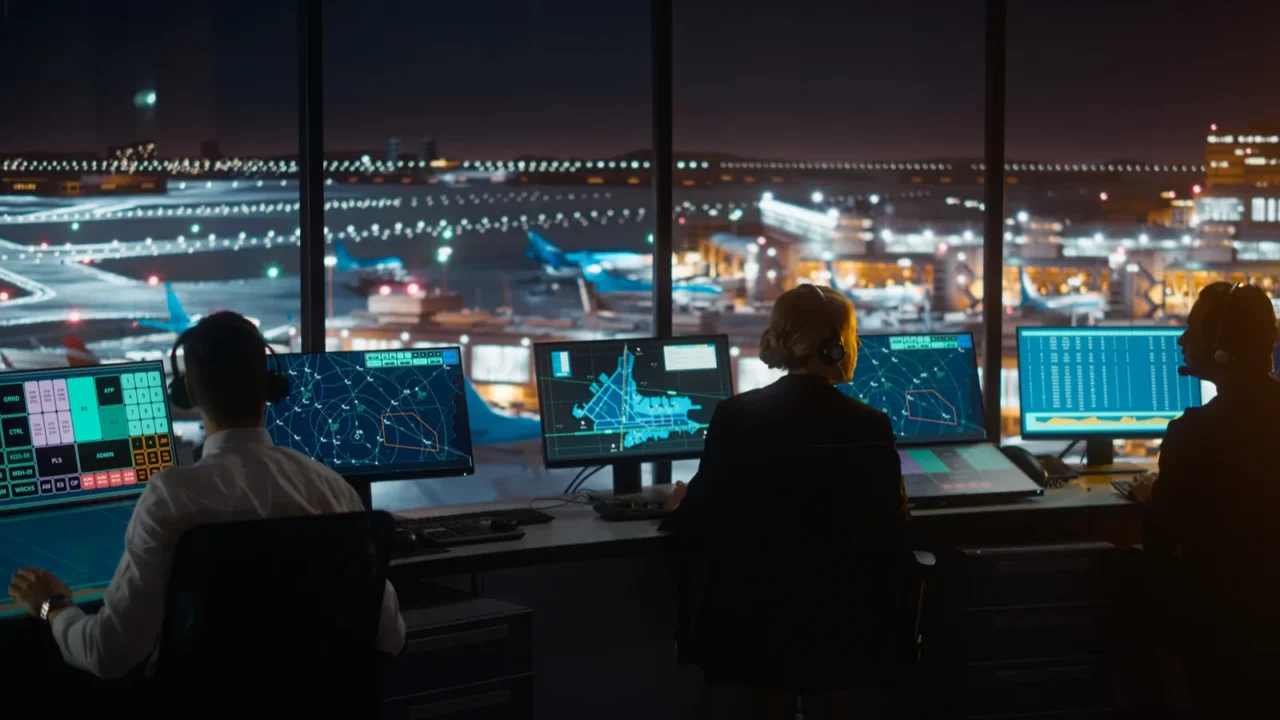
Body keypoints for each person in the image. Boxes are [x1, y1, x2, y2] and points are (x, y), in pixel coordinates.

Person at [7, 311, 406, 683]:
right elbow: (390, 637)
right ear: (270, 388)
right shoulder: (332, 489)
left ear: (188, 392)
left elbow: (107, 654)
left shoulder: (172, 498)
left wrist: (51, 606)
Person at [662, 284, 910, 719]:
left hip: (753, 630)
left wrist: (681, 501)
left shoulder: (736, 417)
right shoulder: (870, 425)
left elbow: (697, 523)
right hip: (845, 632)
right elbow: (893, 525)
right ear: (836, 347)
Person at [1135, 281, 1280, 716]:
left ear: (1220, 347)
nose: (1181, 340)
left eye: (1192, 329)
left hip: (1223, 633)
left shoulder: (1194, 434)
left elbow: (1158, 538)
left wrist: (1152, 495)